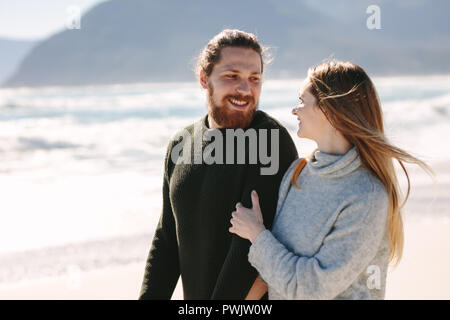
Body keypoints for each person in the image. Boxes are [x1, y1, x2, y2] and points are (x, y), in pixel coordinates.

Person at [229, 60, 433, 299]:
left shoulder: (366, 196)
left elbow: (312, 288)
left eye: (302, 102)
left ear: (329, 110)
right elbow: (270, 273)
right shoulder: (299, 172)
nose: (294, 110)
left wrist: (257, 234)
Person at [138, 29, 298, 299]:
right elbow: (167, 239)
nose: (245, 89)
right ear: (204, 79)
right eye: (232, 76)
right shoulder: (181, 143)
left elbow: (247, 252)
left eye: (254, 79)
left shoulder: (270, 140)